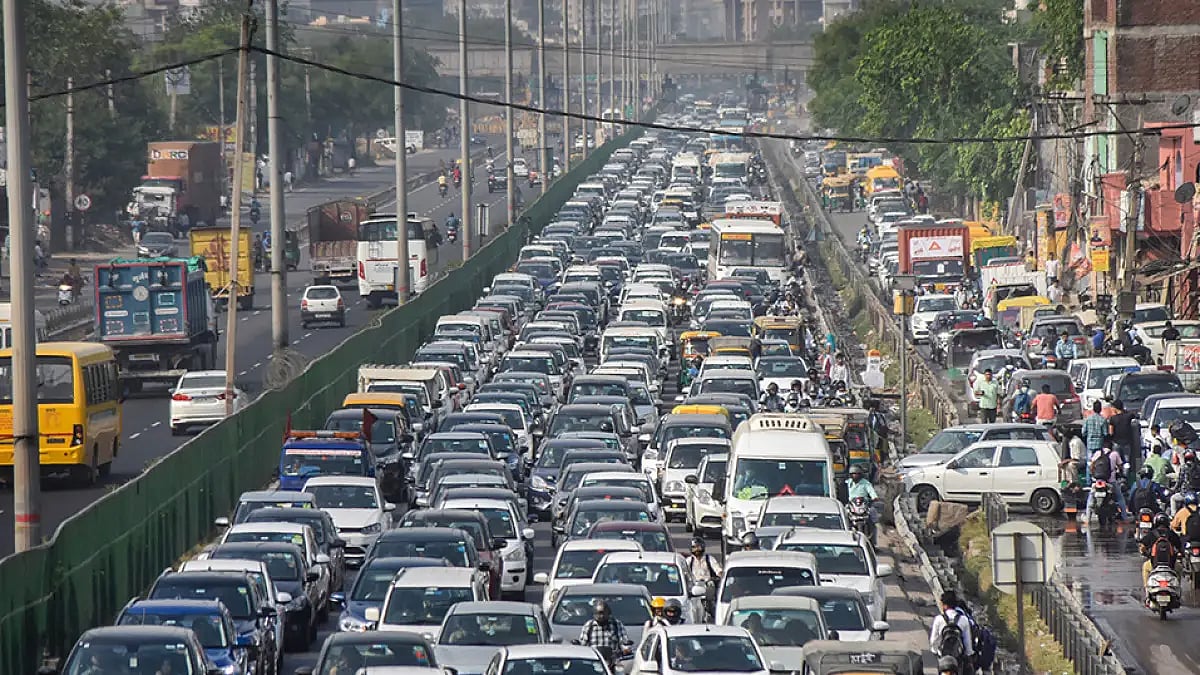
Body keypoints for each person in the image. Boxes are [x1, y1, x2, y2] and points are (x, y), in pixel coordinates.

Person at [929, 590, 973, 673]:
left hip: (943, 656)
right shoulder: (964, 620)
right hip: (957, 658)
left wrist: (935, 651)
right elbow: (967, 642)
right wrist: (969, 654)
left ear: (945, 605)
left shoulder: (939, 619)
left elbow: (933, 640)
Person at [1138, 512, 1182, 586]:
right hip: (1171, 565)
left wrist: (1145, 553)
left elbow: (1142, 546)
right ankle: (1177, 587)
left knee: (1145, 567)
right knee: (1179, 568)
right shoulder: (1171, 534)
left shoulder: (1151, 534)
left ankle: (1146, 590)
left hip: (1154, 565)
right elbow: (1179, 547)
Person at [1086, 445, 1129, 520]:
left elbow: (1091, 465)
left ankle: (1087, 518)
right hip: (1111, 481)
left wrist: (1093, 475)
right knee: (1120, 498)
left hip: (1098, 480)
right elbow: (1120, 466)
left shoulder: (1098, 453)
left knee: (1091, 498)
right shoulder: (1115, 454)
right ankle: (1124, 517)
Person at [686, 537, 722, 619]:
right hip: (694, 585)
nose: (697, 549)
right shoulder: (689, 560)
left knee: (712, 596)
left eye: (699, 547)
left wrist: (720, 575)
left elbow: (718, 570)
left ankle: (714, 614)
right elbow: (684, 572)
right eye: (694, 547)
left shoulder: (709, 559)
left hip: (707, 584)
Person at [1107, 400, 1138, 468]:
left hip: (1116, 442)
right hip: (1127, 442)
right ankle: (1125, 476)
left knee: (1116, 461)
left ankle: (1118, 475)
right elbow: (1134, 415)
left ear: (1115, 408)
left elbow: (1110, 432)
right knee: (1126, 462)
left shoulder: (1113, 419)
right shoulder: (1128, 416)